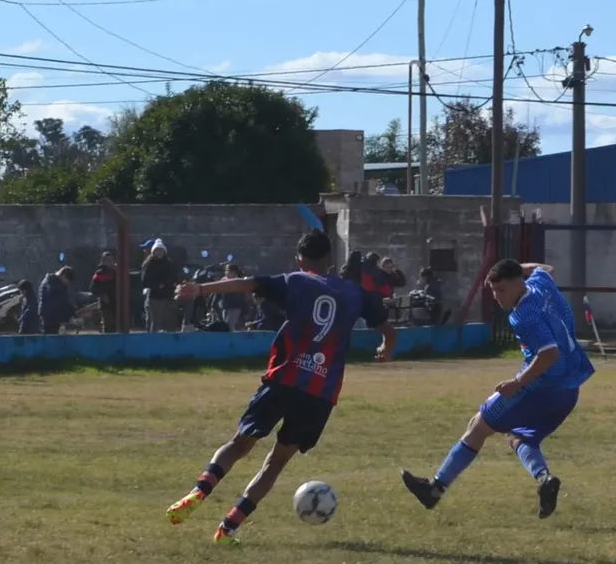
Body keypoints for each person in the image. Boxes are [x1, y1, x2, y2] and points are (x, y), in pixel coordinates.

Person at [165, 230, 397, 544]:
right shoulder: (355, 293)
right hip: (320, 393)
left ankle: (199, 491)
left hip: (284, 378)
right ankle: (228, 526)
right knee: (275, 463)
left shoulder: (295, 281)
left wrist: (200, 288)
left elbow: (249, 283)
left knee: (239, 445)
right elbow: (388, 329)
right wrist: (386, 348)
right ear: (329, 259)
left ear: (299, 259)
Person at [400, 260, 595, 519]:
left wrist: (517, 383)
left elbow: (548, 354)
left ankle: (435, 489)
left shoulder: (522, 315)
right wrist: (513, 268)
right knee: (519, 436)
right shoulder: (540, 284)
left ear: (518, 283)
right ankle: (545, 478)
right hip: (570, 388)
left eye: (501, 289)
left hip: (540, 387)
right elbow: (546, 268)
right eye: (493, 290)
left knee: (478, 425)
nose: (496, 296)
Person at [141, 239, 179, 332]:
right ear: (153, 252)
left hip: (167, 295)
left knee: (167, 321)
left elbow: (174, 277)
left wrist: (171, 285)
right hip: (154, 296)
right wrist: (158, 285)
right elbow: (145, 280)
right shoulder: (149, 264)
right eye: (157, 250)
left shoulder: (169, 263)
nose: (159, 253)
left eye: (161, 250)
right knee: (153, 321)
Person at [39, 266, 76, 335]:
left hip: (52, 316)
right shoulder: (52, 284)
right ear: (63, 275)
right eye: (67, 280)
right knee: (51, 337)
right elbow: (59, 302)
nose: (67, 283)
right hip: (50, 318)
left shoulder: (55, 283)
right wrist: (69, 315)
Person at [90, 250, 118, 333]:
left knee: (116, 325)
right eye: (108, 260)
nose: (110, 262)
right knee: (108, 325)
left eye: (111, 260)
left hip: (116, 302)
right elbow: (93, 288)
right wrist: (102, 295)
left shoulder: (116, 272)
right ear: (103, 262)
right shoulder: (99, 273)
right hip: (105, 304)